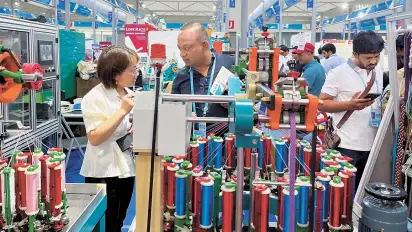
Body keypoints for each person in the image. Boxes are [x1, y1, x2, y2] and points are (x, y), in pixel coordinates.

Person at [81, 46, 137, 232]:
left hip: (126, 167)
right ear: (115, 74)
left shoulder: (126, 92)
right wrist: (122, 111)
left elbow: (124, 128)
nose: (136, 73)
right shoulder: (94, 97)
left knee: (119, 220)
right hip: (105, 171)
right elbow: (95, 137)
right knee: (105, 224)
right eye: (132, 69)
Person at [319, 31, 384, 191]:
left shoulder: (378, 73)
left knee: (362, 193)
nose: (373, 61)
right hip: (346, 145)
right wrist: (350, 105)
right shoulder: (339, 73)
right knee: (341, 194)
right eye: (368, 57)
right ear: (355, 54)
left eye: (377, 56)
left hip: (371, 144)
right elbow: (321, 103)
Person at [172, 22, 235, 136]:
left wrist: (232, 104)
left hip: (228, 144)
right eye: (180, 48)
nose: (182, 54)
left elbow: (251, 107)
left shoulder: (231, 66)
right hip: (193, 145)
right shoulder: (181, 77)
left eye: (187, 48)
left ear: (205, 45)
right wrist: (181, 115)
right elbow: (172, 111)